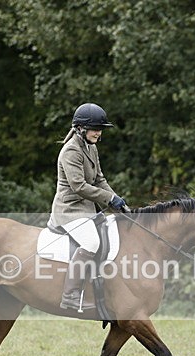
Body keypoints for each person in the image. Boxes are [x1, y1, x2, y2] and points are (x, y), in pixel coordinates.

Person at [48, 103, 127, 310]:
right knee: (91, 242)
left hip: (86, 210)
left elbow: (99, 179)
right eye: (95, 129)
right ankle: (70, 295)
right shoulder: (71, 151)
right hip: (69, 210)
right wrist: (108, 199)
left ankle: (98, 289)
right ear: (81, 128)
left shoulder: (91, 147)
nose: (98, 133)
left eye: (100, 129)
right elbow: (79, 186)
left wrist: (115, 199)